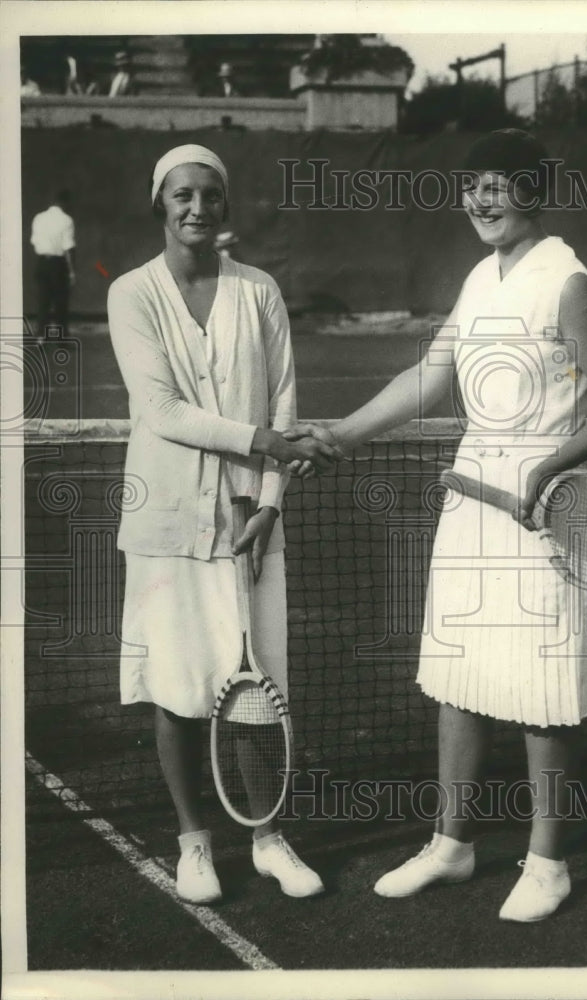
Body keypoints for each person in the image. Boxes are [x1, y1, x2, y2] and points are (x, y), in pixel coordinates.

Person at [287, 129, 587, 921]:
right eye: (471, 185)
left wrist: (549, 470)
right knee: (458, 674)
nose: (481, 200)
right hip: (474, 498)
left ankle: (546, 862)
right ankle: (451, 845)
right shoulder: (482, 275)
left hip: (552, 509)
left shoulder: (567, 281)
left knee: (543, 687)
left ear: (533, 190)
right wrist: (343, 435)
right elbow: (431, 374)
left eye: (499, 184)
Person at [107, 144, 339, 905]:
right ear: (159, 204)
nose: (197, 207)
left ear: (225, 205)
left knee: (254, 693)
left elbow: (283, 402)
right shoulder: (132, 294)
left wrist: (271, 504)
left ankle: (268, 839)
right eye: (182, 194)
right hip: (167, 523)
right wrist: (268, 446)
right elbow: (162, 411)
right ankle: (193, 844)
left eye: (210, 194)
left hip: (250, 524)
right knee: (177, 691)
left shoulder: (260, 291)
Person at [30, 190, 76, 339]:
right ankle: (62, 339)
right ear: (65, 203)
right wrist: (71, 272)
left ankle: (40, 337)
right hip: (58, 264)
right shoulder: (66, 220)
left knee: (43, 301)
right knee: (60, 302)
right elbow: (68, 247)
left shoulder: (39, 218)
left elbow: (35, 241)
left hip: (42, 262)